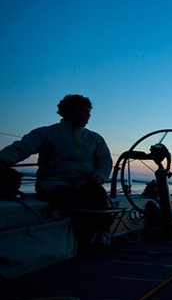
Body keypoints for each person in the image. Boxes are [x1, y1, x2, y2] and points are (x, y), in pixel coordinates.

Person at [0, 94, 114, 247]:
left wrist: (100, 175)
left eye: (88, 112)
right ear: (67, 111)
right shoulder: (46, 133)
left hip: (84, 182)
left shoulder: (95, 138)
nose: (88, 115)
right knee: (65, 196)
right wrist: (3, 159)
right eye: (83, 111)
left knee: (96, 194)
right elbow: (21, 148)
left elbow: (105, 161)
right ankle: (79, 238)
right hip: (52, 182)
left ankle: (100, 233)